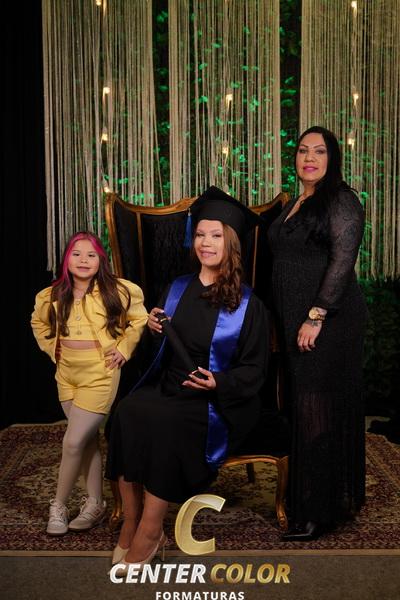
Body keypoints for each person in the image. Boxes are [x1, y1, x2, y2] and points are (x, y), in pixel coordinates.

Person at [106, 186, 269, 569]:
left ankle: (151, 530)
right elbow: (161, 355)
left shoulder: (248, 305)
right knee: (128, 411)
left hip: (213, 400)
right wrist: (154, 331)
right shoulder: (178, 288)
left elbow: (255, 370)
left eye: (215, 236)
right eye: (200, 234)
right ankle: (130, 519)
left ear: (231, 243)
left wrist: (218, 382)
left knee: (166, 423)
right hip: (170, 386)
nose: (205, 243)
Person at [267, 126, 367, 541]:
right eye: (303, 150)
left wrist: (317, 315)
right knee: (305, 408)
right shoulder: (296, 201)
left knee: (316, 410)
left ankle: (318, 512)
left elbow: (343, 260)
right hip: (295, 319)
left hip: (327, 321)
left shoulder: (341, 199)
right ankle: (310, 499)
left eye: (319, 151)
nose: (309, 158)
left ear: (332, 158)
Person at [31, 231, 148, 536]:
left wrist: (123, 349)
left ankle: (58, 505)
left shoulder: (119, 291)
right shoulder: (51, 295)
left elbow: (139, 319)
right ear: (66, 259)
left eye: (91, 255)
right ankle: (96, 504)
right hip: (67, 374)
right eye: (77, 254)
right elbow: (38, 323)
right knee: (86, 441)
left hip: (99, 374)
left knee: (72, 442)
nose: (83, 260)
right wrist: (52, 347)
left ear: (101, 260)